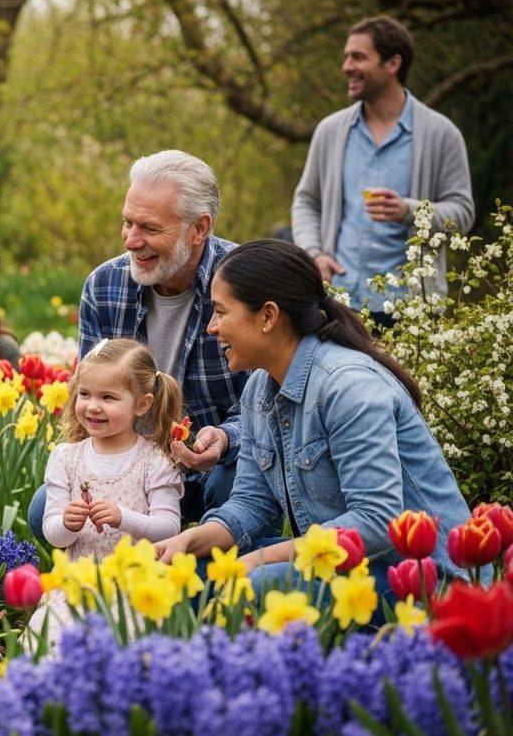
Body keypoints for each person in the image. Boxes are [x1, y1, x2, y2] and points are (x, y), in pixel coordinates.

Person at [153, 239, 470, 593]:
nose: (212, 327)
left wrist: (264, 557)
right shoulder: (260, 387)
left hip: (416, 578)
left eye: (221, 312)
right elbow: (250, 504)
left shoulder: (348, 387)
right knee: (186, 574)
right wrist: (188, 542)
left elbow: (378, 522)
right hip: (337, 565)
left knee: (255, 586)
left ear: (268, 316)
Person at [30, 150, 245, 540]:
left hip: (210, 467)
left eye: (148, 227)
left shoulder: (242, 282)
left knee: (232, 483)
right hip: (129, 466)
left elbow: (271, 402)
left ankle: (207, 582)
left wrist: (228, 436)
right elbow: (88, 392)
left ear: (199, 228)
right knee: (46, 507)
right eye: (127, 222)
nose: (131, 240)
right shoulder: (105, 285)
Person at [291, 16, 474, 325]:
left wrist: (410, 210)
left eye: (358, 57)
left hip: (411, 314)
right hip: (338, 305)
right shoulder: (331, 131)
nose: (346, 66)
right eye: (346, 56)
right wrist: (313, 253)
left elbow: (463, 214)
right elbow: (307, 201)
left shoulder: (442, 134)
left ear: (393, 64)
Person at [42, 338, 184, 555]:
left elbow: (169, 529)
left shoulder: (154, 461)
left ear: (142, 404)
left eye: (107, 397)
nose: (93, 406)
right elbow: (53, 535)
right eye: (84, 394)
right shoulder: (65, 457)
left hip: (136, 580)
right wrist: (66, 524)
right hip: (82, 579)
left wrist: (123, 518)